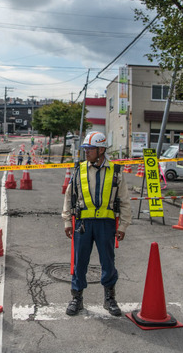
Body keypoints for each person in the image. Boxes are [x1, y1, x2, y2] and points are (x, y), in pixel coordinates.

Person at [61, 131, 132, 317]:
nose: (86, 152)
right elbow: (69, 197)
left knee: (108, 262)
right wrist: (67, 220)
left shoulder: (116, 171)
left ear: (101, 149)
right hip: (82, 224)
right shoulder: (79, 169)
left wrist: (123, 226)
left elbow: (124, 200)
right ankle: (77, 298)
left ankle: (110, 299)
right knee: (79, 263)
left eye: (90, 148)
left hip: (106, 225)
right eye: (85, 148)